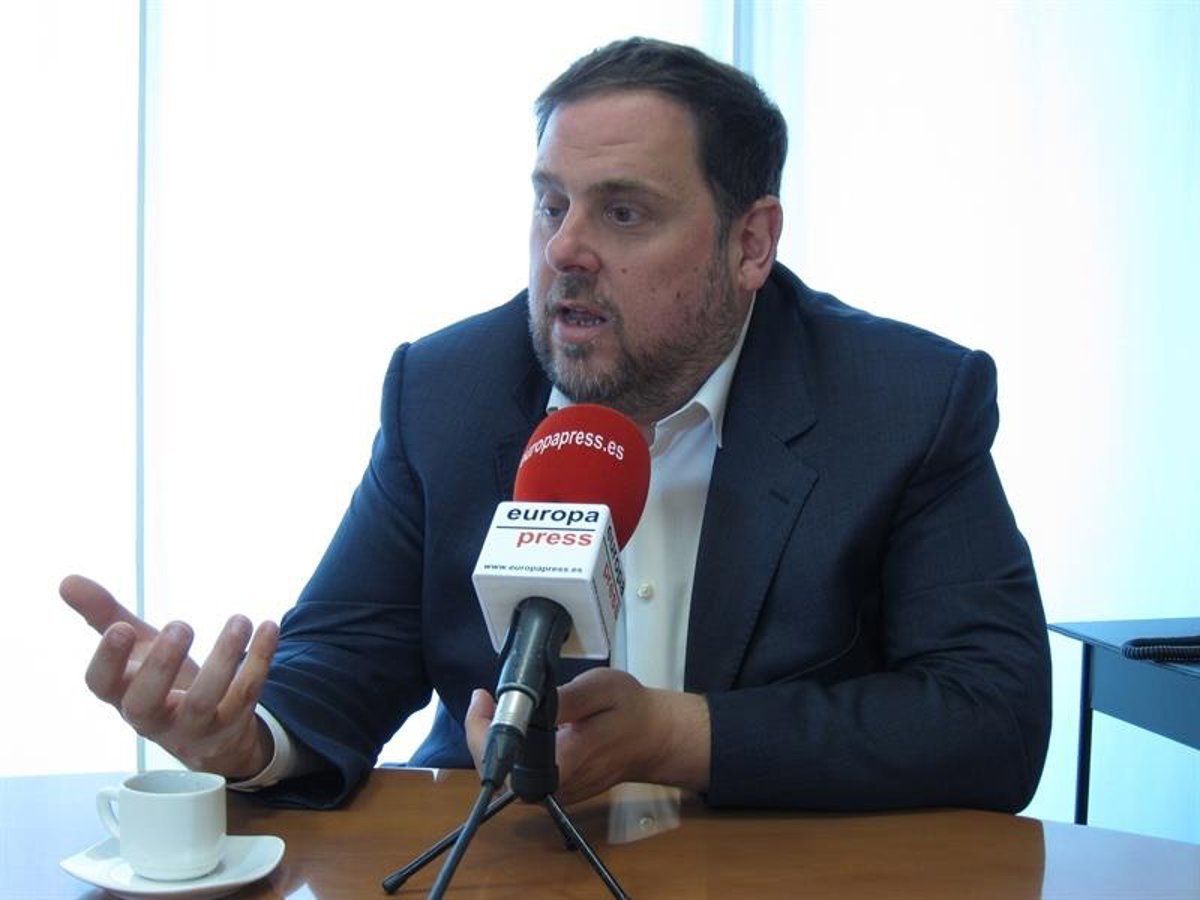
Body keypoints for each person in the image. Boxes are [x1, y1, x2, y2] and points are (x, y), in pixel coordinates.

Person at [61, 37, 1051, 816]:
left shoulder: (903, 401)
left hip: (777, 868)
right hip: (509, 853)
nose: (564, 250)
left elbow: (993, 718)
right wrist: (248, 740)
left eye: (622, 214)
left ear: (751, 243)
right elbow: (348, 656)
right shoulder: (447, 390)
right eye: (550, 205)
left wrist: (678, 736)